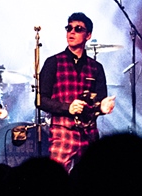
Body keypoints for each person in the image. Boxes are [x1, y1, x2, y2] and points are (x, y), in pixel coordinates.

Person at [39, 12, 116, 172]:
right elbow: (41, 100)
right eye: (69, 28)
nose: (71, 32)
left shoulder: (96, 67)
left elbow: (99, 101)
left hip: (89, 134)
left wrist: (102, 108)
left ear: (88, 35)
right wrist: (68, 107)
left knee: (90, 181)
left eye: (78, 29)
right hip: (63, 132)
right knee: (57, 179)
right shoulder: (53, 62)